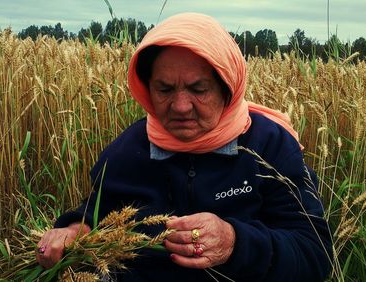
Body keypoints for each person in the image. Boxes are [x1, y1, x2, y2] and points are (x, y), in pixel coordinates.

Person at [36, 12, 333, 281]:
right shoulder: (126, 151)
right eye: (164, 89)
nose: (180, 106)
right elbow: (98, 215)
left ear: (227, 86)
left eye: (198, 89)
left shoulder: (269, 146)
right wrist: (75, 231)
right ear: (146, 88)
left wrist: (234, 242)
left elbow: (314, 255)